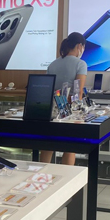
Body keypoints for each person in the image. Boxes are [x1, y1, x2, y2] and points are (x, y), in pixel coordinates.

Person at [41, 32, 88, 166]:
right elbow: (78, 92)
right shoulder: (81, 64)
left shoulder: (53, 64)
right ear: (79, 46)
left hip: (51, 110)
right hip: (69, 111)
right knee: (70, 146)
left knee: (48, 144)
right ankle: (67, 177)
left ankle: (41, 173)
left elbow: (46, 88)